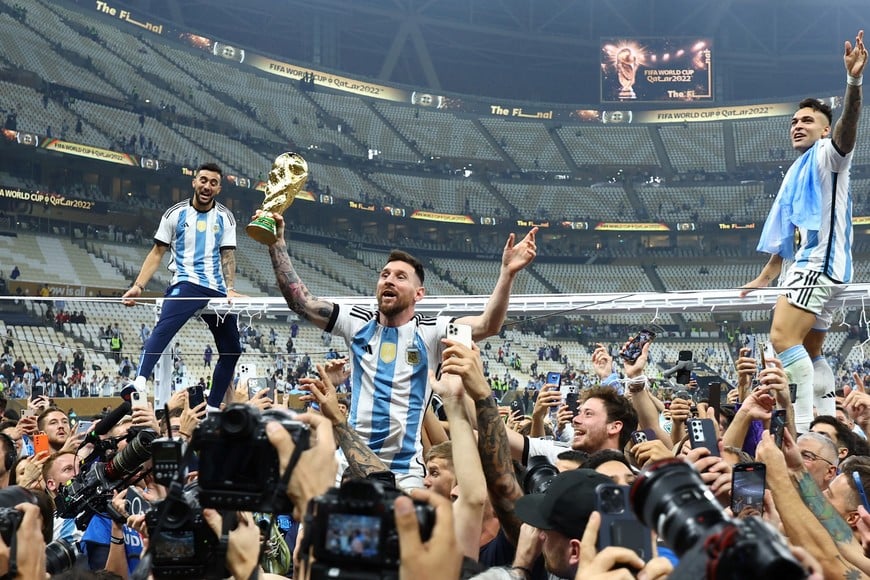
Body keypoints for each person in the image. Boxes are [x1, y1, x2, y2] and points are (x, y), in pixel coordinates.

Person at [261, 207, 537, 488]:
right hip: (350, 462)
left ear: (419, 294)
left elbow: (488, 325)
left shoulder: (432, 331)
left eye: (400, 277)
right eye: (384, 275)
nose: (389, 280)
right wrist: (277, 245)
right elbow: (302, 302)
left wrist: (507, 274)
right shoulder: (356, 322)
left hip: (404, 472)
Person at [742, 30, 867, 432]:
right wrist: (764, 277)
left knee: (781, 339)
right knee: (809, 353)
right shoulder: (797, 173)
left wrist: (853, 82)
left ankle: (803, 428)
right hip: (824, 269)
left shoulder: (828, 155)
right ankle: (828, 420)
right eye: (794, 121)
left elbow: (847, 129)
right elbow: (787, 235)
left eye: (808, 120)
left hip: (818, 265)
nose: (798, 125)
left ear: (824, 129)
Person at [122, 162, 243, 409]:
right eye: (203, 180)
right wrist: (139, 286)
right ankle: (140, 381)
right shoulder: (174, 214)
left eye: (213, 182)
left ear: (219, 188)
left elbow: (228, 256)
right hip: (187, 283)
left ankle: (212, 407)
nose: (207, 186)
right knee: (164, 327)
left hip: (217, 289)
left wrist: (230, 287)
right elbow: (157, 252)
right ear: (194, 182)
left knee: (232, 349)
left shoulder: (225, 217)